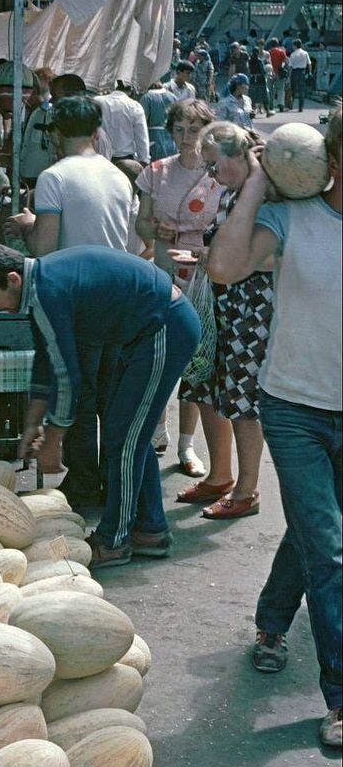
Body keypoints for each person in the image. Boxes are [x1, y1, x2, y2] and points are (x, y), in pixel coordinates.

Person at [202, 104, 342, 748]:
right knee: (332, 548)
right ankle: (340, 695)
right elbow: (224, 268)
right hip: (295, 409)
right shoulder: (291, 219)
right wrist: (257, 179)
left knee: (318, 532)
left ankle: (271, 622)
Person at [0, 242, 201, 569]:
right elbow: (47, 360)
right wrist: (33, 422)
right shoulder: (39, 285)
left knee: (124, 439)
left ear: (13, 279)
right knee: (129, 434)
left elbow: (68, 376)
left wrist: (54, 441)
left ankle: (114, 541)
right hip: (145, 332)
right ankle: (150, 530)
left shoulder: (47, 290)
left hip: (164, 326)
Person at [4, 96, 133, 508]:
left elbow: (44, 252)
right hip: (118, 297)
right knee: (109, 399)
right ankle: (111, 484)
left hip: (73, 301)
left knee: (71, 392)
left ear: (56, 134)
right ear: (97, 133)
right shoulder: (118, 177)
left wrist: (28, 225)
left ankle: (80, 483)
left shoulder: (53, 178)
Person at [171, 121, 274, 522]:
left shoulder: (264, 198)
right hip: (227, 308)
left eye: (215, 165)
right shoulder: (236, 194)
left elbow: (266, 257)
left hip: (252, 313)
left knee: (244, 401)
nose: (211, 175)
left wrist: (224, 265)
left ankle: (247, 490)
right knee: (216, 391)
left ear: (240, 156)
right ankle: (222, 476)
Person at [136, 99, 225, 476]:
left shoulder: (221, 175)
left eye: (194, 130)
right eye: (179, 129)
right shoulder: (155, 172)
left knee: (197, 362)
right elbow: (140, 223)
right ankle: (158, 430)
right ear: (168, 131)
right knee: (157, 355)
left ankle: (188, 447)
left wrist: (207, 251)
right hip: (164, 271)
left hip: (206, 278)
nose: (186, 138)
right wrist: (154, 230)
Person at [94, 81, 150, 165]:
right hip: (126, 160)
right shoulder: (135, 106)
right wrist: (144, 159)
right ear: (131, 90)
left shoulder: (97, 101)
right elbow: (141, 136)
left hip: (99, 157)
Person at [139, 83, 177, 161]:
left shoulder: (146, 98)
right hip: (171, 136)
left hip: (154, 137)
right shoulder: (172, 97)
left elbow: (143, 121)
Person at [267, 37, 289, 112]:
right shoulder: (281, 51)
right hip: (279, 73)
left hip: (270, 73)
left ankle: (271, 104)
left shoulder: (269, 52)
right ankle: (281, 104)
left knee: (270, 89)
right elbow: (286, 61)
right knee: (280, 89)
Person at [288, 39, 311, 112]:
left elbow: (290, 66)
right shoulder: (305, 53)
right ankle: (300, 107)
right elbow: (309, 64)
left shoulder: (293, 54)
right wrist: (309, 72)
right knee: (301, 90)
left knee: (293, 89)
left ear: (295, 46)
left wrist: (289, 75)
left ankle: (291, 105)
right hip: (302, 72)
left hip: (295, 72)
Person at [248, 47, 270, 116]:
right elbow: (262, 70)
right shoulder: (259, 61)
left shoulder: (250, 60)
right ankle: (267, 111)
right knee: (264, 96)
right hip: (260, 79)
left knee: (252, 97)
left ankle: (253, 112)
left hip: (252, 79)